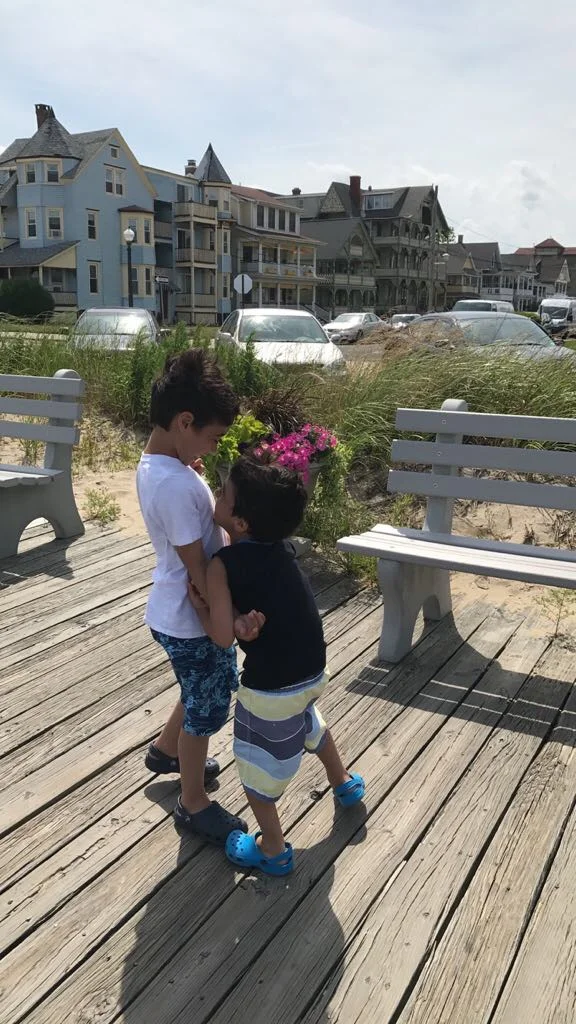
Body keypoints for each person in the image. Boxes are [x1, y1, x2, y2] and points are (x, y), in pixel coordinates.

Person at [189, 456, 366, 875]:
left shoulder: (220, 565)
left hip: (269, 690)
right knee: (307, 721)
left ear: (242, 522)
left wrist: (201, 608)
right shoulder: (282, 548)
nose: (216, 495)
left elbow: (220, 637)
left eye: (224, 494)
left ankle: (271, 848)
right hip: (313, 670)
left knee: (254, 770)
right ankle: (343, 784)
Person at [137, 349, 261, 845]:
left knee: (197, 689)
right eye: (210, 437)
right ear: (184, 422)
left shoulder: (160, 466)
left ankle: (166, 752)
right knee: (207, 708)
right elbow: (198, 574)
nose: (210, 448)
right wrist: (222, 624)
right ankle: (192, 802)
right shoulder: (175, 486)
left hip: (171, 612)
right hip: (191, 617)